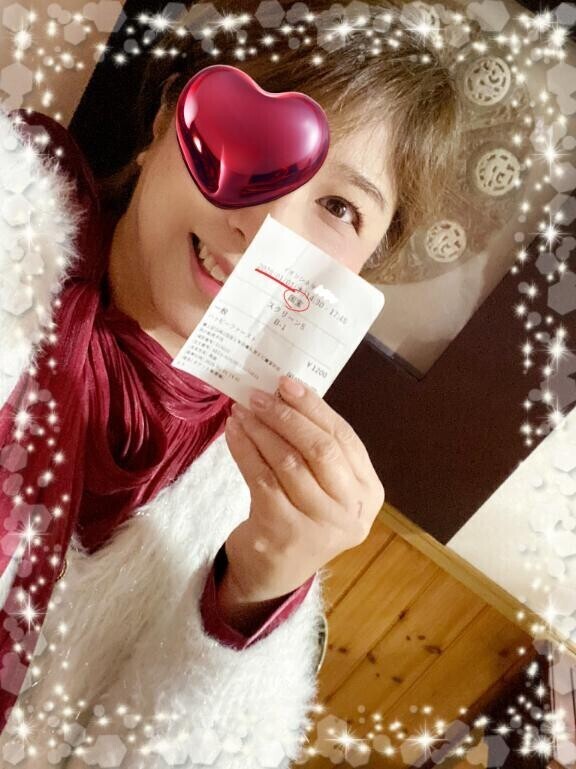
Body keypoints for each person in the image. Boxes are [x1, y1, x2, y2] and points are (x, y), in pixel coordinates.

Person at [0, 1, 461, 765]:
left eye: (338, 207)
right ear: (165, 122)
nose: (262, 227)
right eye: (249, 135)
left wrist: (251, 596)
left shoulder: (256, 498)